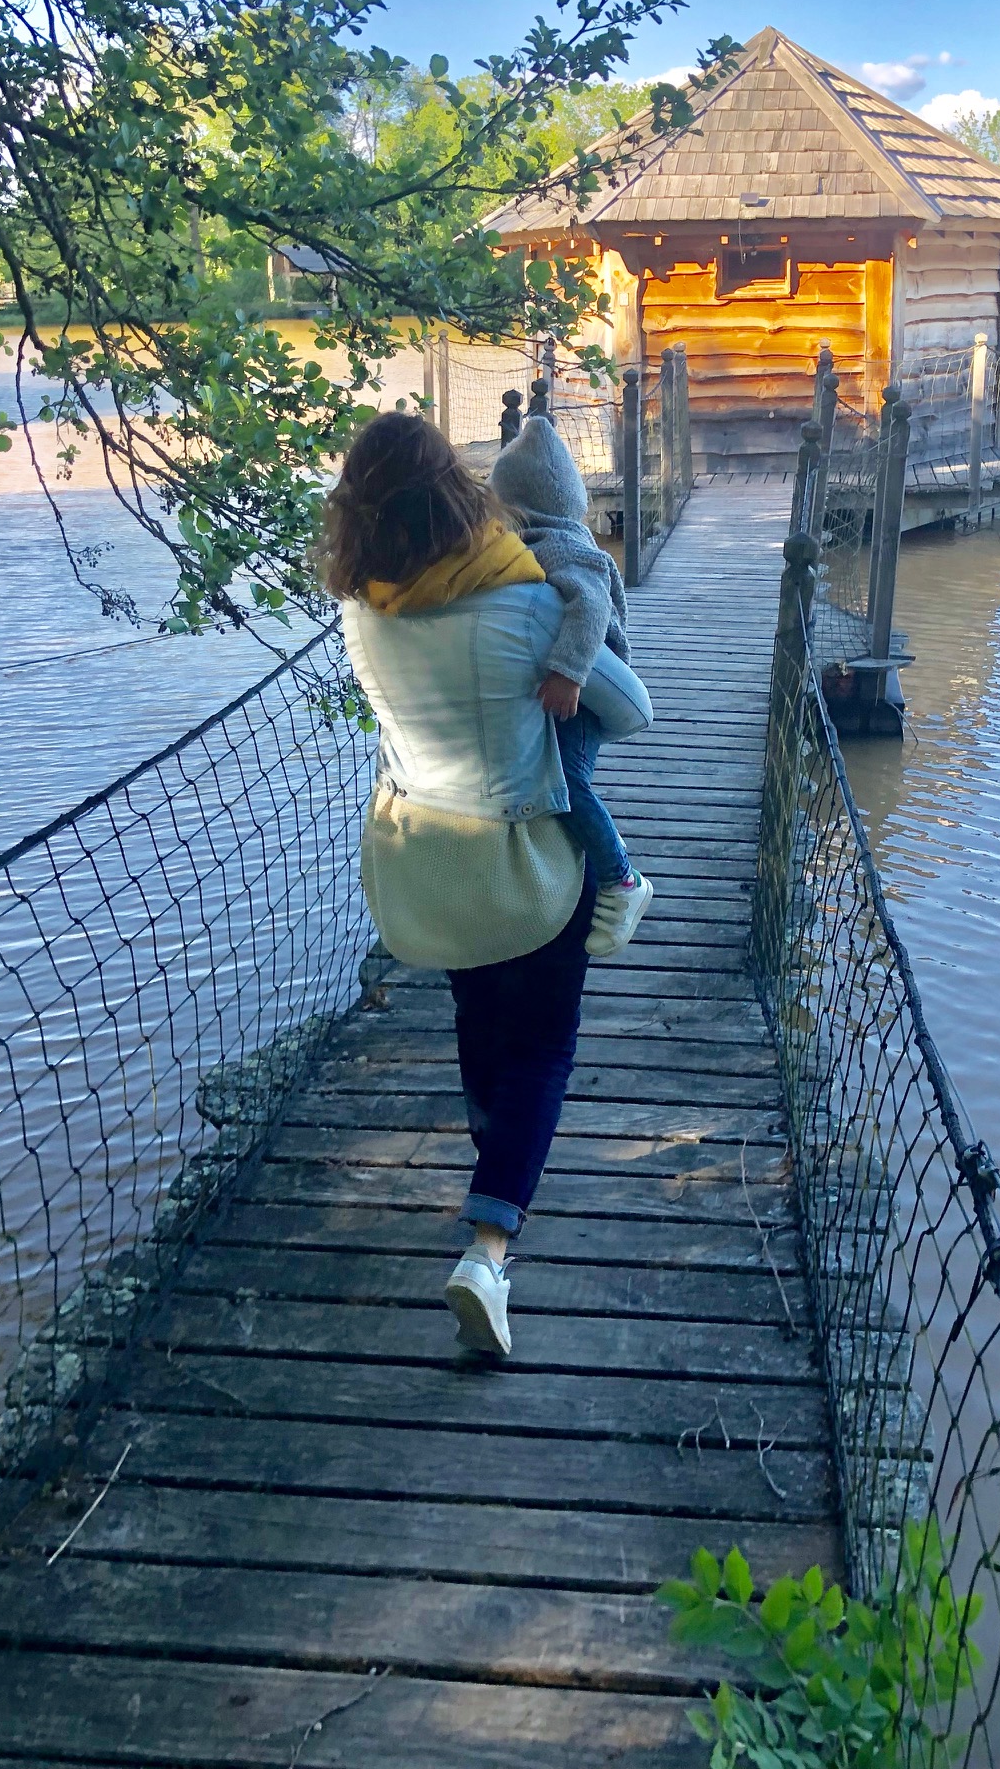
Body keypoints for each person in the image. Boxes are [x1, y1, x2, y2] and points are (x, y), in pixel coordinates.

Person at [316, 413, 654, 1357]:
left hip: (432, 865)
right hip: (530, 868)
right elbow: (631, 709)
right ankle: (489, 1250)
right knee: (542, 1048)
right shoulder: (532, 601)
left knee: (480, 1023)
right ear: (461, 493)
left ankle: (493, 1166)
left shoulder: (360, 613)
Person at [490, 411, 653, 957]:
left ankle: (622, 880)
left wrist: (568, 672)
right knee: (553, 783)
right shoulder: (537, 541)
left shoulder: (561, 547)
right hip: (558, 691)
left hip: (582, 695)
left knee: (569, 786)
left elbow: (590, 607)